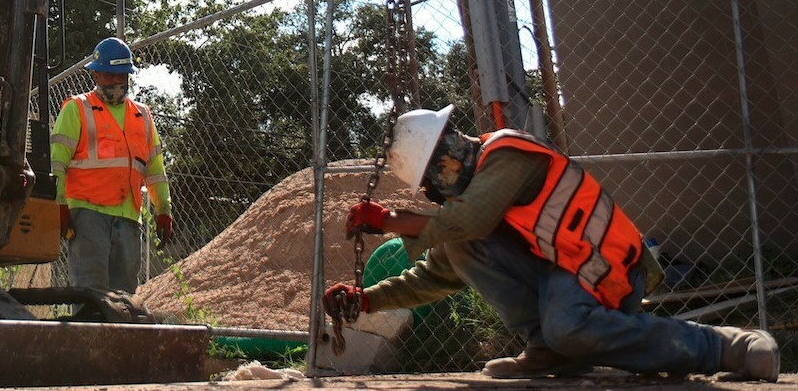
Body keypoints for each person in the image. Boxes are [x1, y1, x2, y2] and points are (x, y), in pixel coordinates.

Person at [323, 105, 780, 381]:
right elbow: (436, 273)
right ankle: (551, 350)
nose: (435, 193)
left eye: (432, 182)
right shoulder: (467, 206)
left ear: (449, 152)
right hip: (568, 271)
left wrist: (389, 220)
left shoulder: (506, 155)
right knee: (459, 248)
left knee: (568, 324)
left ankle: (727, 346)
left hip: (610, 267)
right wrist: (366, 301)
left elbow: (471, 218)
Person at [50, 37, 173, 295]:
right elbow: (57, 163)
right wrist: (59, 205)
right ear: (96, 74)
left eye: (122, 76)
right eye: (109, 75)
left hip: (129, 217)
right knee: (90, 293)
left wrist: (164, 209)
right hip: (87, 215)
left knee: (124, 297)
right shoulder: (77, 109)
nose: (117, 82)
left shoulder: (143, 115)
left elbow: (155, 170)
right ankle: (87, 337)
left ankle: (117, 336)